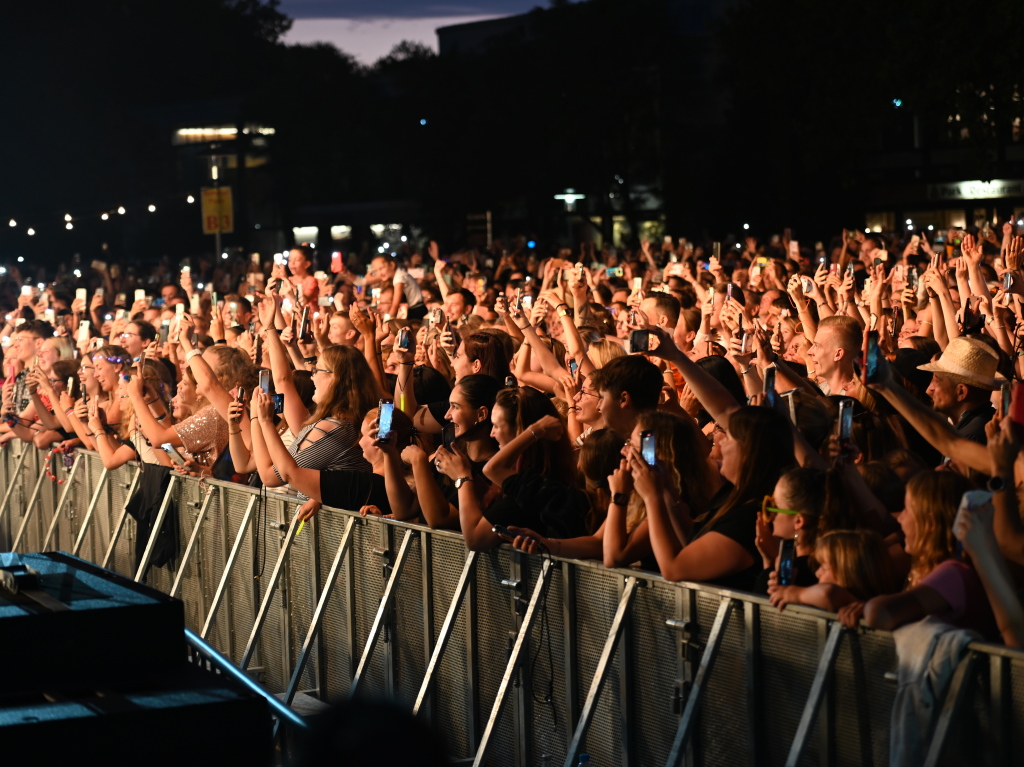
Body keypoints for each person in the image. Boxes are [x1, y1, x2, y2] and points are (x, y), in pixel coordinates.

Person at [861, 471, 1000, 640]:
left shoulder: (953, 573)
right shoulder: (942, 567)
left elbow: (880, 614)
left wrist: (863, 608)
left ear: (931, 523)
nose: (900, 519)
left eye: (907, 509)